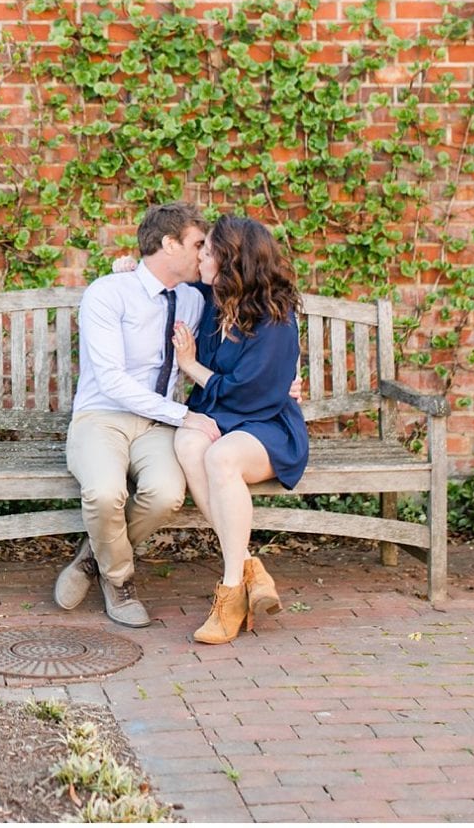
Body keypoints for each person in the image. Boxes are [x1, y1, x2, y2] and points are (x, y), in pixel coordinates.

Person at [54, 201, 222, 628]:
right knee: (104, 494)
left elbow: (255, 314)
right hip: (102, 417)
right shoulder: (109, 293)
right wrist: (182, 414)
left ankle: (94, 556)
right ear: (169, 243)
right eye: (197, 244)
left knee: (167, 495)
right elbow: (111, 380)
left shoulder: (192, 298)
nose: (204, 255)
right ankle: (120, 580)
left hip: (155, 425)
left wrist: (286, 380)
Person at [170, 214, 307, 645]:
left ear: (231, 261)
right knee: (187, 443)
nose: (200, 257)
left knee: (221, 457)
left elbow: (252, 394)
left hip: (266, 423)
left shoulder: (275, 317)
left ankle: (230, 592)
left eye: (208, 251)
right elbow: (164, 280)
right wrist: (125, 267)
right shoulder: (212, 298)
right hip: (225, 413)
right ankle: (251, 567)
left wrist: (192, 366)